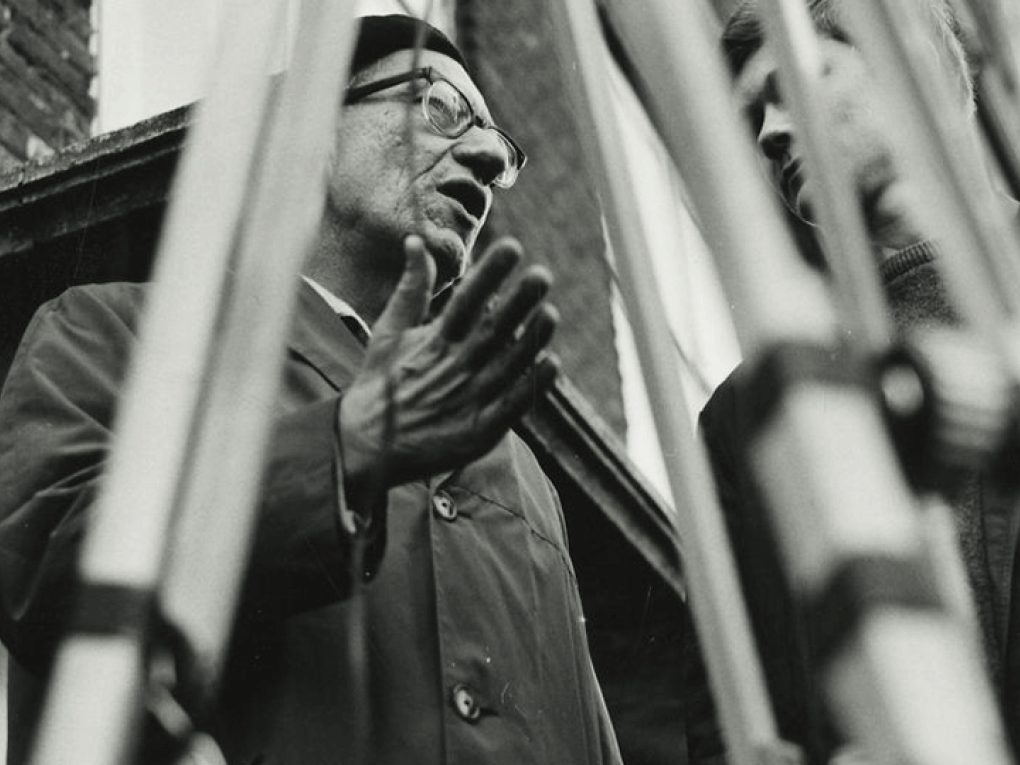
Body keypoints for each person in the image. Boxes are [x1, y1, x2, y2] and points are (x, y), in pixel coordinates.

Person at [0, 15, 622, 765]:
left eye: (500, 149)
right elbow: (38, 567)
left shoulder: (526, 477)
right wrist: (338, 450)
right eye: (440, 107)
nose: (489, 156)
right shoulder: (118, 334)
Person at [683, 1, 1020, 763]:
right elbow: (734, 718)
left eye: (788, 87)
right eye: (754, 118)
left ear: (912, 63)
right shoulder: (749, 414)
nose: (768, 134)